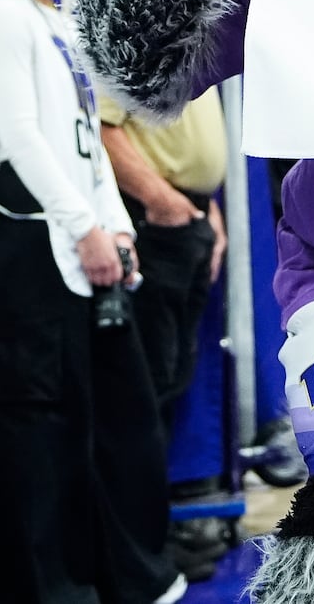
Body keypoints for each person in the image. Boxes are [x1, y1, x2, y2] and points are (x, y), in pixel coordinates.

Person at [0, 0, 183, 604]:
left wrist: (112, 219)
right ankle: (37, 588)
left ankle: (94, 577)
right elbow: (20, 138)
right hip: (24, 247)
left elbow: (85, 139)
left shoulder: (63, 23)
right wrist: (83, 225)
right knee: (34, 432)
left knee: (93, 422)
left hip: (77, 242)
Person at [97, 89, 230, 581]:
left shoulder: (194, 39)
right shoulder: (128, 31)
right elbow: (103, 129)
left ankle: (146, 541)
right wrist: (166, 203)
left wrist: (204, 209)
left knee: (168, 384)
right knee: (139, 393)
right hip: (149, 220)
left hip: (185, 215)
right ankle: (128, 551)